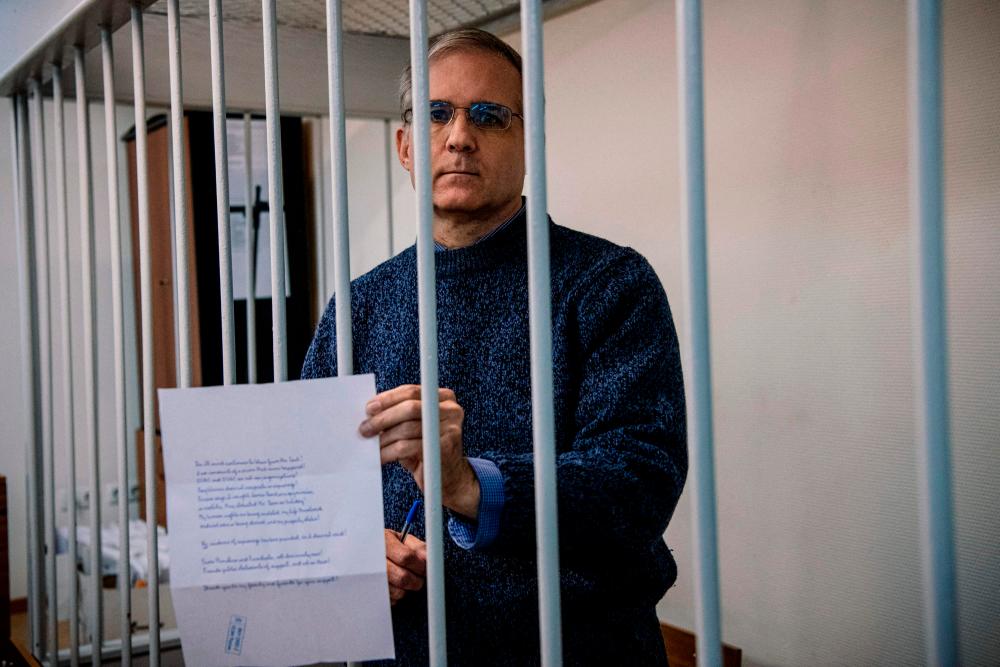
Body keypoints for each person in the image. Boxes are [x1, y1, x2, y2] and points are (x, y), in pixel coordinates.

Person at [301, 28, 686, 666]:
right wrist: (356, 551)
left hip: (577, 649)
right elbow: (312, 488)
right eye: (435, 113)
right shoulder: (358, 307)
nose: (459, 136)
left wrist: (469, 486)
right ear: (404, 146)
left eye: (488, 115)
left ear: (527, 143)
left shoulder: (608, 284)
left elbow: (641, 481)